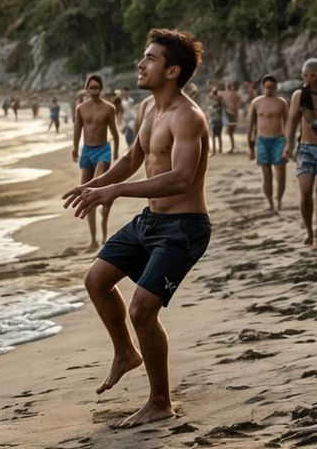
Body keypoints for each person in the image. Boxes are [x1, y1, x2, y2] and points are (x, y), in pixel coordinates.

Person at [64, 29, 210, 428]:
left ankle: (160, 401)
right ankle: (126, 353)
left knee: (142, 309)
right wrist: (94, 185)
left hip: (184, 226)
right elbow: (131, 158)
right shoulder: (149, 108)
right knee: (96, 279)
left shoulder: (188, 117)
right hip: (151, 220)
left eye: (150, 58)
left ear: (172, 70)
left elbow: (180, 178)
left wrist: (116, 191)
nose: (140, 64)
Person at [72, 75, 120, 249]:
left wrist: (115, 152)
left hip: (103, 151)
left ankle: (101, 201)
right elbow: (77, 130)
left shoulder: (109, 108)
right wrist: (75, 149)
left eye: (97, 87)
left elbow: (114, 131)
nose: (94, 90)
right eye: (91, 88)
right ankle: (93, 238)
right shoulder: (81, 108)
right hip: (87, 151)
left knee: (95, 187)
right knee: (85, 194)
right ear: (86, 89)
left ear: (101, 88)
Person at [284, 57, 317, 250]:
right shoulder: (299, 95)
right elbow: (291, 121)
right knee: (306, 192)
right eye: (305, 75)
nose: (309, 78)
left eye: (313, 75)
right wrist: (288, 144)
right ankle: (308, 231)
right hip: (305, 148)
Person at [247, 75, 288, 214]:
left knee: (281, 174)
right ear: (262, 87)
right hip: (262, 140)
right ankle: (270, 202)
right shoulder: (256, 102)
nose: (268, 89)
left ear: (275, 87)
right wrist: (251, 147)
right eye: (266, 87)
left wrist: (289, 144)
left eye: (271, 87)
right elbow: (251, 126)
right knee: (267, 174)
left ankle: (279, 201)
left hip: (279, 140)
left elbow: (288, 124)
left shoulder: (281, 103)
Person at [222, 81, 242, 153]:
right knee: (230, 132)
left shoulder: (236, 94)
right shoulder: (227, 94)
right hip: (229, 114)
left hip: (233, 114)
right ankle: (233, 146)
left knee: (231, 132)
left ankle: (233, 147)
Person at [207, 87, 224, 155]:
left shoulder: (218, 104)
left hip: (216, 121)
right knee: (215, 136)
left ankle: (217, 151)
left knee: (216, 136)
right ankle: (217, 150)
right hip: (215, 121)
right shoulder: (215, 103)